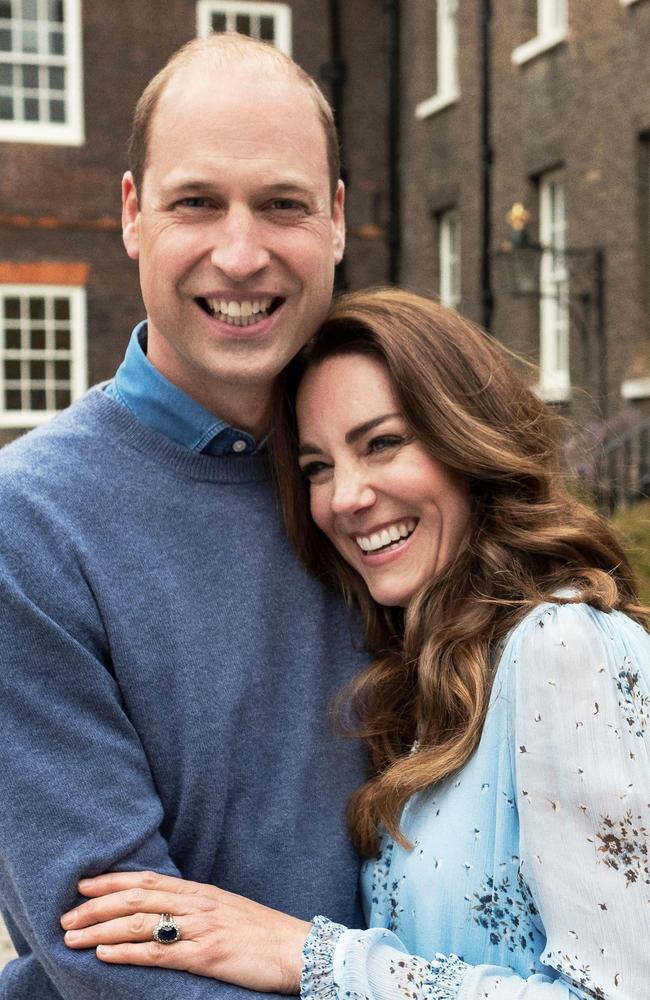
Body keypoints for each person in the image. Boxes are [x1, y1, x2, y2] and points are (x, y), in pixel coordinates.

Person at [62, 289, 650, 998]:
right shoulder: (433, 673)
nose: (344, 498)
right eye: (317, 467)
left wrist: (309, 955)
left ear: (468, 441)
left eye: (382, 444)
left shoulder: (566, 647)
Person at [0, 34, 369, 999]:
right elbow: (114, 951)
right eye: (196, 203)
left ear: (335, 221)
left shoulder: (397, 491)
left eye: (282, 205)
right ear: (131, 214)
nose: (240, 254)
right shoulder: (29, 523)